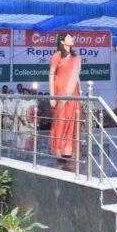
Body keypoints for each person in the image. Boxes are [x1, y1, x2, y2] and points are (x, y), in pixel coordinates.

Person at [48, 32, 82, 160]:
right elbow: (51, 75)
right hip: (60, 91)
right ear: (62, 41)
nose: (71, 39)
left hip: (74, 92)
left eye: (71, 37)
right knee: (61, 120)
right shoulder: (56, 56)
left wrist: (80, 90)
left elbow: (76, 76)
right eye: (68, 37)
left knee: (73, 120)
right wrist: (52, 96)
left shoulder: (76, 57)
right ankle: (60, 150)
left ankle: (70, 150)